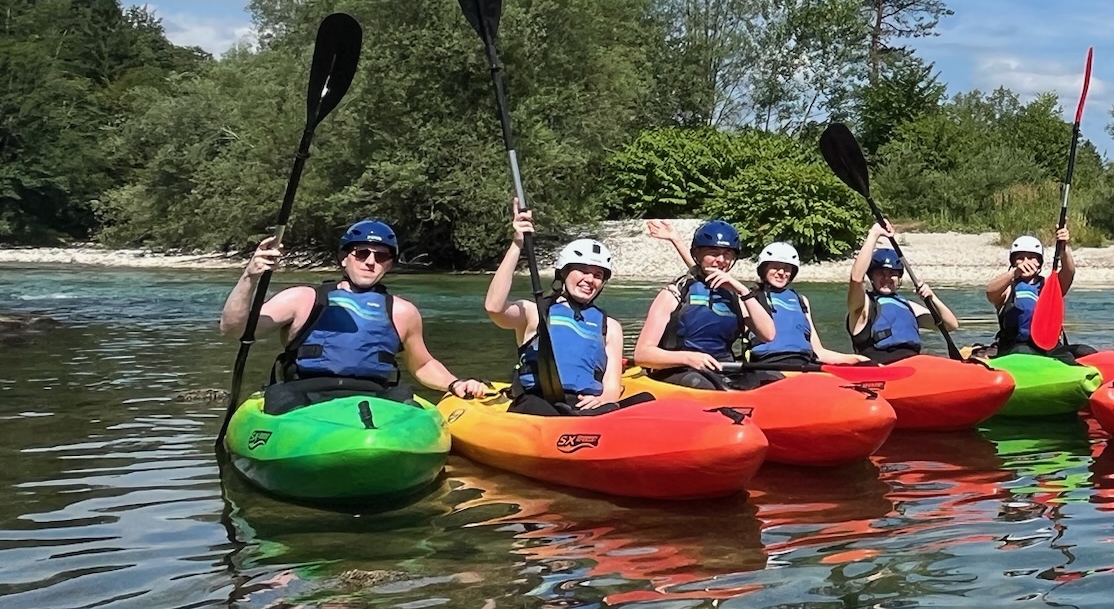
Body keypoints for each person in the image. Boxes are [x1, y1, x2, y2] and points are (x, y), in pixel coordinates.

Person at [220, 219, 489, 413]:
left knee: (407, 403)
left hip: (375, 396)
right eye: (361, 253)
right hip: (304, 395)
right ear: (343, 258)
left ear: (390, 264)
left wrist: (455, 383)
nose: (371, 261)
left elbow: (422, 365)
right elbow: (234, 330)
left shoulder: (402, 311)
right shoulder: (303, 298)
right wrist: (249, 277)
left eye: (381, 256)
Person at [484, 206, 627, 415]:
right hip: (538, 403)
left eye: (598, 275)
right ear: (564, 273)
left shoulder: (610, 326)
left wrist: (605, 400)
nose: (590, 279)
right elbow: (494, 308)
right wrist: (517, 244)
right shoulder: (535, 311)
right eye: (583, 271)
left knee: (646, 401)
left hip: (583, 407)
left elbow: (612, 386)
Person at [632, 219, 777, 390]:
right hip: (680, 369)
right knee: (703, 384)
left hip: (723, 369)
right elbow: (642, 354)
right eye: (713, 253)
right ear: (698, 254)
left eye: (728, 254)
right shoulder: (674, 293)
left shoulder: (736, 297)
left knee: (775, 379)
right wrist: (688, 358)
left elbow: (768, 335)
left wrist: (742, 290)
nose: (721, 260)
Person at [738, 240, 879, 376]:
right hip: (766, 366)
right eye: (775, 266)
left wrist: (856, 359)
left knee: (864, 365)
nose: (782, 272)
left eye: (787, 268)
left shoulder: (801, 301)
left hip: (804, 366)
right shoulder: (749, 299)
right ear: (764, 269)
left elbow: (818, 351)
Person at [847, 220, 964, 360]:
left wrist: (932, 298)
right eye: (881, 273)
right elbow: (856, 278)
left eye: (892, 274)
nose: (887, 278)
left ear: (899, 279)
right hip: (879, 369)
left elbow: (951, 325)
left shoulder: (908, 306)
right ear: (871, 276)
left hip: (913, 367)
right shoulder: (863, 306)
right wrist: (874, 234)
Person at [984, 227, 1090, 358]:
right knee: (1024, 351)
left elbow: (1069, 272)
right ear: (1013, 262)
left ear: (1039, 262)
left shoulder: (1049, 286)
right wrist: (1014, 273)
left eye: (1031, 258)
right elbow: (990, 292)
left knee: (1085, 351)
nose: (1026, 262)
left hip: (1048, 347)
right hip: (1015, 347)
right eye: (1020, 258)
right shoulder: (1008, 287)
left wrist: (1064, 248)